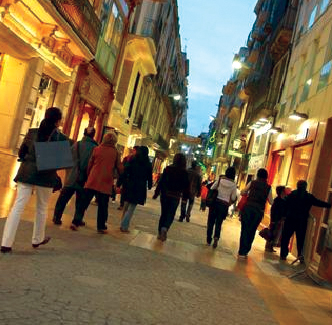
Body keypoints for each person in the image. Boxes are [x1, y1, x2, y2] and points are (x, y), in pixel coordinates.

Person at [1, 107, 67, 253]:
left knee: (17, 207)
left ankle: (6, 243)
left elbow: (22, 152)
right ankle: (37, 239)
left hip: (27, 173)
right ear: (57, 121)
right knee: (42, 208)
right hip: (46, 176)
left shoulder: (32, 132)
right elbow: (61, 162)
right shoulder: (60, 137)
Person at [70, 131, 123, 234]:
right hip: (105, 182)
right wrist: (121, 175)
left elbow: (90, 164)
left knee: (83, 203)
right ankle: (101, 226)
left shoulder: (97, 149)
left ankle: (75, 222)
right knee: (103, 206)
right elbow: (119, 167)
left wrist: (90, 175)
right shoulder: (115, 153)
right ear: (114, 141)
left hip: (93, 180)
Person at [52, 127, 98, 225]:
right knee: (81, 201)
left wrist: (69, 172)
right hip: (84, 178)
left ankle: (57, 217)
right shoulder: (95, 148)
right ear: (93, 135)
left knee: (63, 198)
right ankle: (77, 219)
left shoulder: (76, 144)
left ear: (84, 134)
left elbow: (67, 159)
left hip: (71, 177)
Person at [280, 180, 331, 262]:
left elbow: (285, 205)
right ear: (305, 187)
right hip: (302, 221)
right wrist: (329, 205)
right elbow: (318, 202)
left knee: (286, 237)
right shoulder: (308, 196)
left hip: (290, 219)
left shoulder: (292, 195)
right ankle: (300, 256)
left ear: (297, 186)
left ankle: (283, 255)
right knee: (301, 239)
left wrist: (283, 215)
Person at [153, 153, 189, 242]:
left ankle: (159, 233)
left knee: (163, 213)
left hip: (165, 194)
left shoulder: (168, 169)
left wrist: (156, 193)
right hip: (175, 196)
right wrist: (185, 198)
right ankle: (165, 228)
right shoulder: (184, 172)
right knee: (171, 214)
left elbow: (161, 182)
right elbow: (186, 186)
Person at [238, 168, 273, 259]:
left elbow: (243, 192)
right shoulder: (268, 187)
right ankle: (246, 250)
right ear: (266, 177)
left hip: (248, 208)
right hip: (258, 211)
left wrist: (247, 193)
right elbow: (271, 201)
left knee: (244, 229)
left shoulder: (252, 183)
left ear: (257, 175)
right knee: (252, 230)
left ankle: (241, 251)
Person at [119, 146, 153, 232]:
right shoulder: (148, 163)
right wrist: (149, 185)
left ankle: (123, 223)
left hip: (130, 184)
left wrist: (119, 182)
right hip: (140, 187)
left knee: (126, 205)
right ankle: (124, 226)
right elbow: (149, 176)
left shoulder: (133, 160)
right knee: (131, 208)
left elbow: (125, 171)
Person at [207, 167, 238, 248]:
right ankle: (216, 237)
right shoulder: (233, 184)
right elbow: (234, 197)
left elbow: (212, 188)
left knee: (211, 221)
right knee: (219, 223)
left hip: (215, 203)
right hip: (224, 206)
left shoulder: (220, 180)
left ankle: (208, 239)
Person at [265, 186, 287, 252]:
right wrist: (273, 220)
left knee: (275, 233)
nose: (285, 192)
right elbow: (273, 211)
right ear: (282, 191)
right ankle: (269, 246)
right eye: (284, 190)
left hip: (279, 219)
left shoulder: (282, 199)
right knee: (273, 232)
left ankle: (270, 246)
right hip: (276, 219)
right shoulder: (277, 200)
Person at [117, 146, 139, 210]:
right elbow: (123, 167)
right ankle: (122, 204)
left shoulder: (137, 160)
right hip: (126, 178)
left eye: (134, 150)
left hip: (131, 179)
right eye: (133, 150)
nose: (133, 151)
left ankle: (125, 205)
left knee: (127, 192)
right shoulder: (127, 158)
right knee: (124, 191)